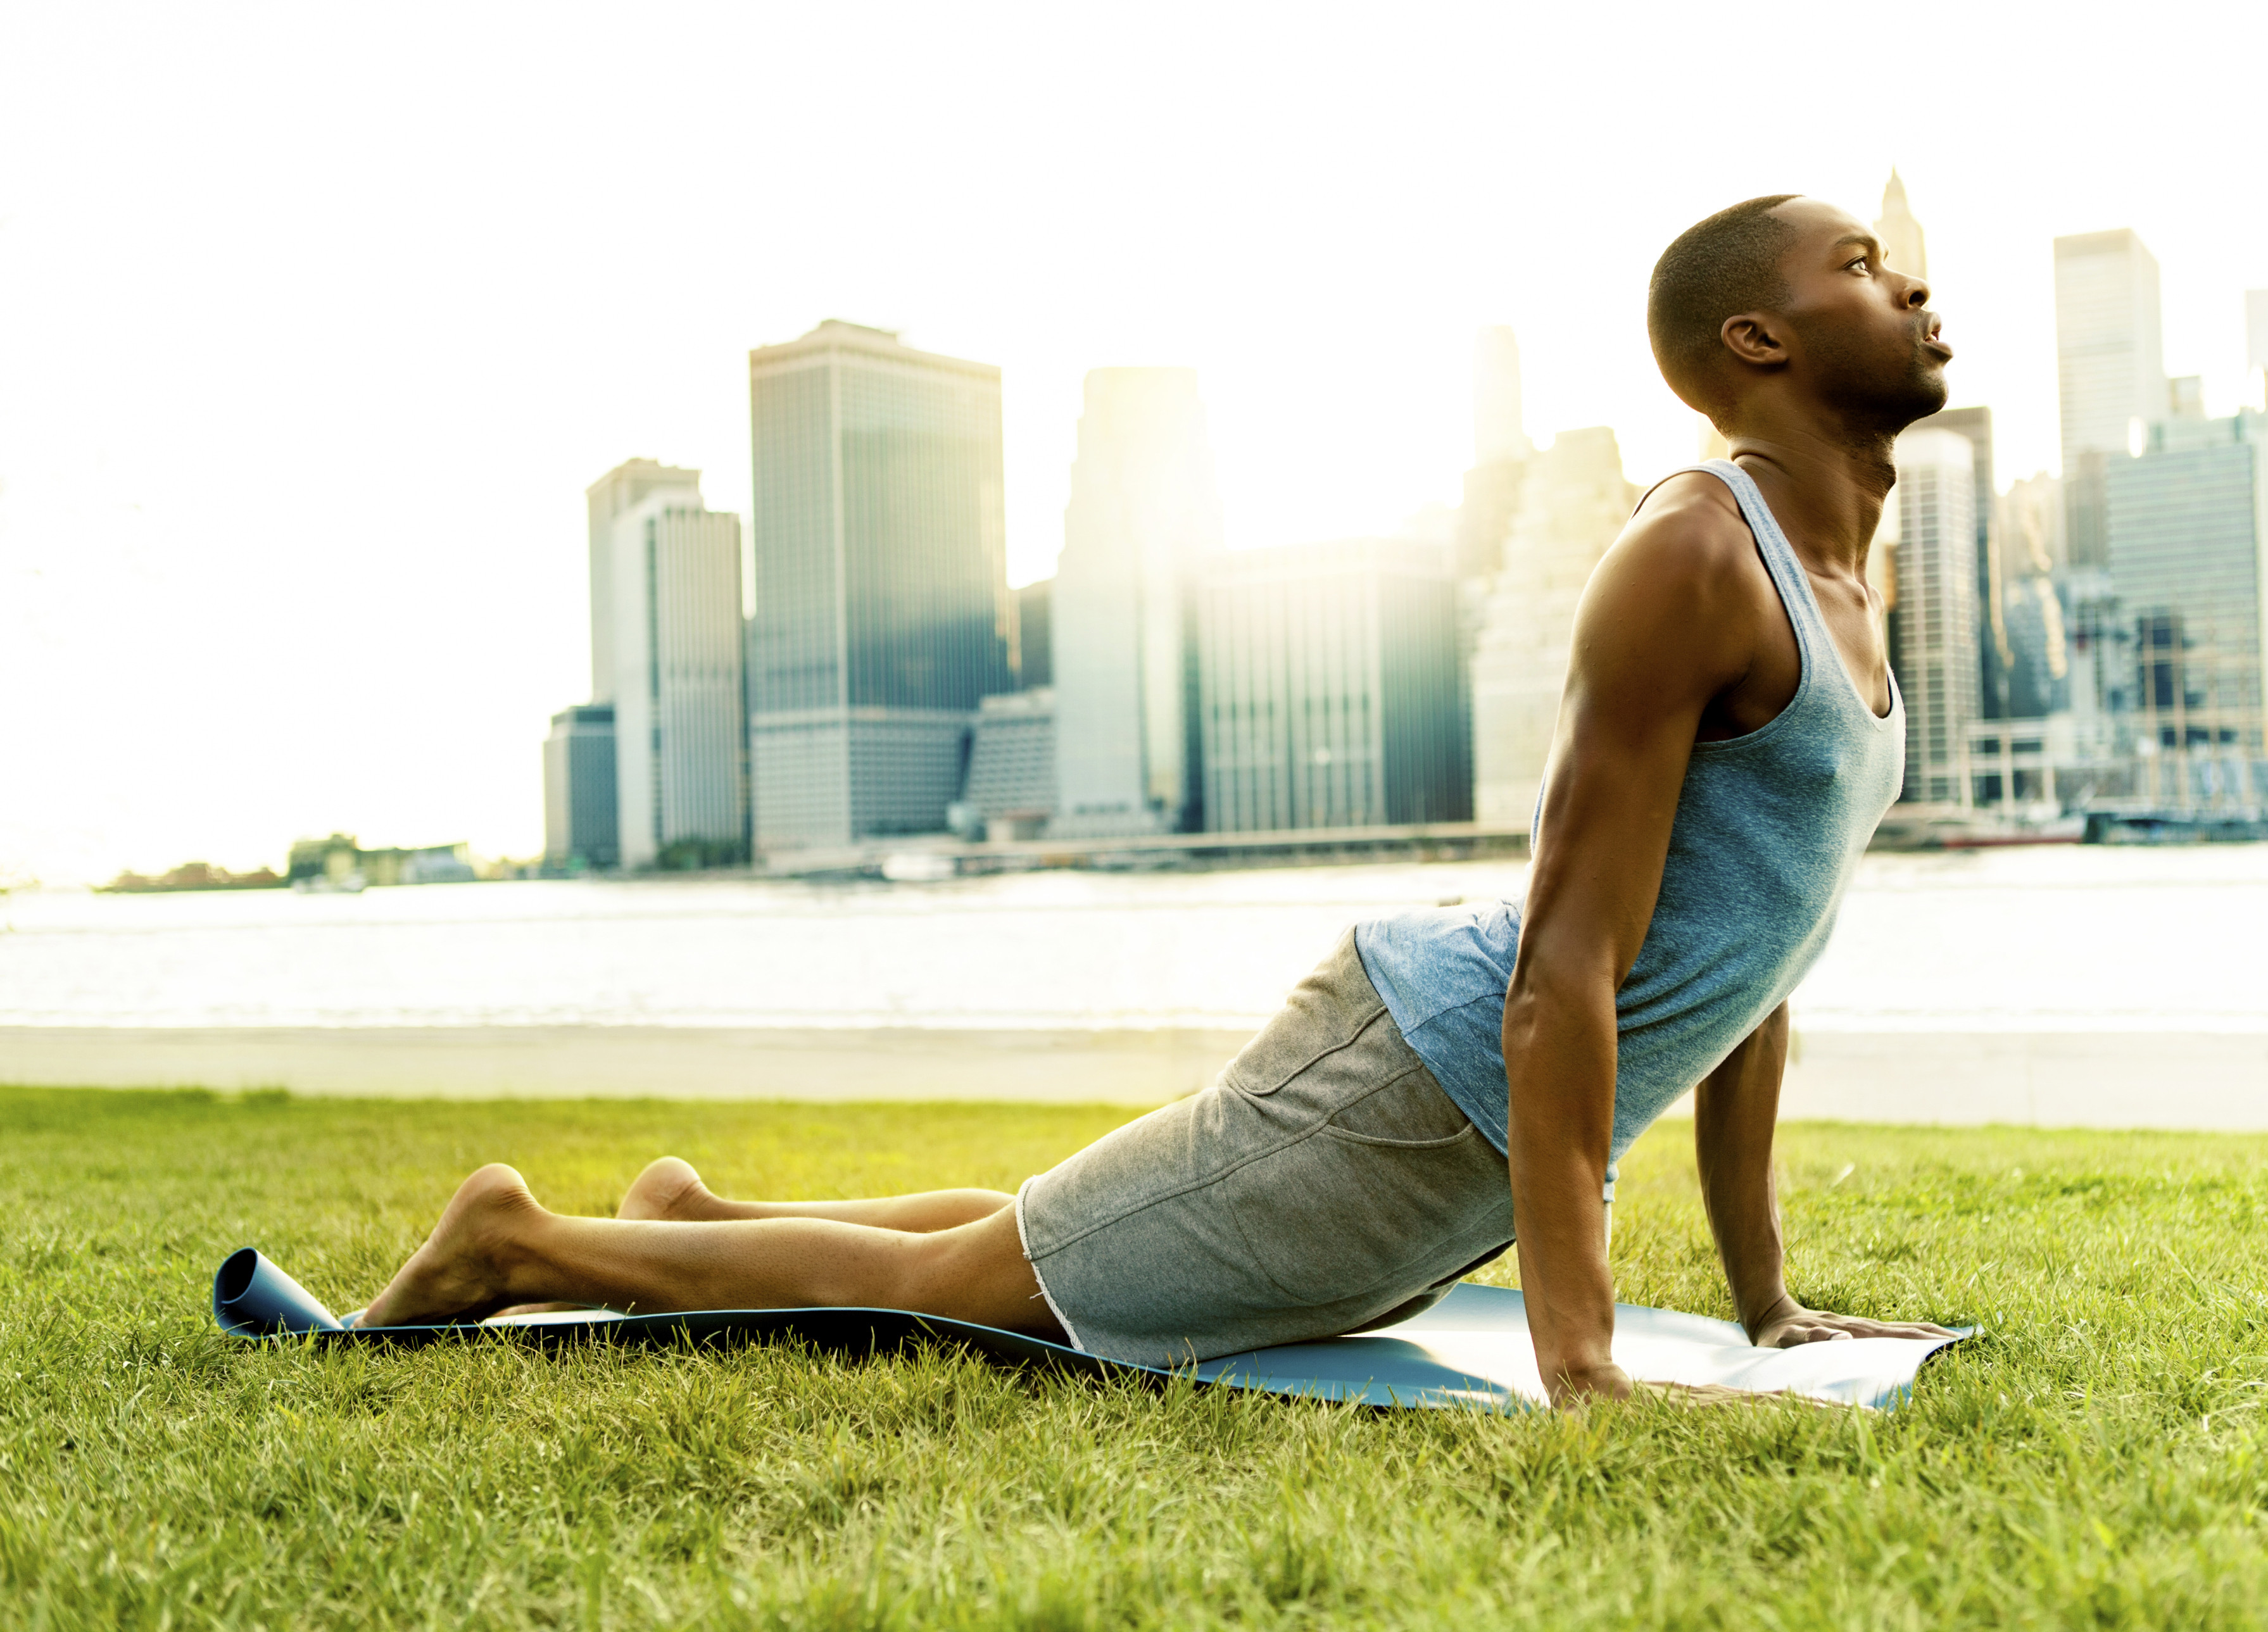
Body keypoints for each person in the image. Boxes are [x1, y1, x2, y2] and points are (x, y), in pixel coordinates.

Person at [360, 194, 1958, 1403]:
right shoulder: (1693, 559)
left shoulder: (1846, 585)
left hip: (1463, 1126)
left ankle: (695, 1215)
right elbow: (1557, 985)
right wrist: (1580, 1360)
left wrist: (1766, 1300)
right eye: (1860, 269)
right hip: (1423, 1084)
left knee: (1058, 1239)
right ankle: (520, 1243)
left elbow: (1758, 962)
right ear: (1758, 340)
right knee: (977, 1285)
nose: (1911, 281)